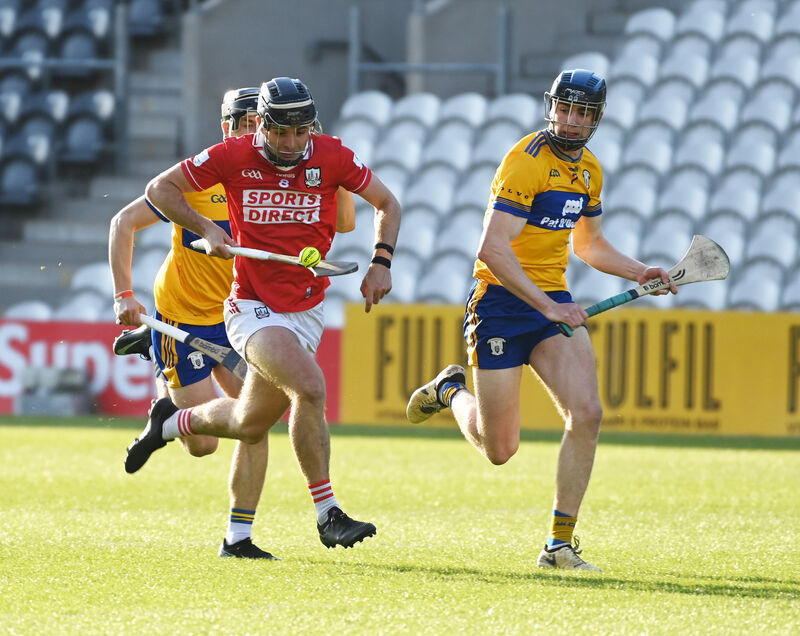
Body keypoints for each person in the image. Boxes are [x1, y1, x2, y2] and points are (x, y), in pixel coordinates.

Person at [405, 69, 677, 571]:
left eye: (582, 113)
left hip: (551, 300)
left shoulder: (589, 170)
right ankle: (449, 391)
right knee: (499, 449)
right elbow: (492, 248)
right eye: (563, 108)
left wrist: (641, 272)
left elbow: (590, 245)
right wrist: (548, 307)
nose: (570, 121)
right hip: (499, 303)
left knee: (587, 413)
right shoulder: (525, 161)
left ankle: (558, 546)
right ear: (551, 107)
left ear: (596, 119)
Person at [124, 77, 401, 551]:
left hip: (307, 310)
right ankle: (328, 514)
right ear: (262, 127)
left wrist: (381, 261)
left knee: (249, 423)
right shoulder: (232, 156)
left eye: (301, 132)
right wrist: (205, 227)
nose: (291, 143)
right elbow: (160, 189)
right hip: (251, 308)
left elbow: (387, 203)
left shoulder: (332, 155)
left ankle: (170, 423)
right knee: (310, 387)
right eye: (280, 132)